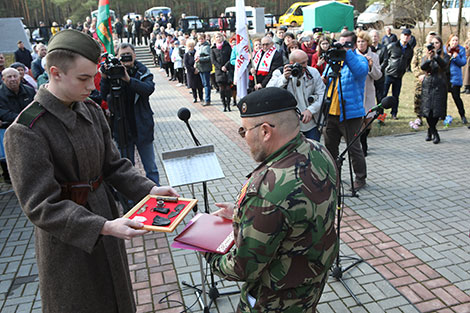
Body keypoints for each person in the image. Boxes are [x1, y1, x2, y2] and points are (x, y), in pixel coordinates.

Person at [4, 29, 179, 313]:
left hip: (105, 215)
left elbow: (113, 165)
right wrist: (102, 226)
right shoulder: (26, 130)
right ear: (55, 73)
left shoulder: (90, 110)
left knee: (118, 297)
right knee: (82, 301)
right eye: (83, 78)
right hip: (69, 239)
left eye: (93, 76)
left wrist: (149, 190)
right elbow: (40, 206)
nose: (92, 85)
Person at [204, 87, 339, 313]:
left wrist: (208, 250)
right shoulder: (318, 150)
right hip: (310, 287)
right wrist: (241, 213)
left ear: (265, 131)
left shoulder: (266, 191)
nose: (244, 137)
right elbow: (299, 215)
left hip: (274, 301)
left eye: (244, 130)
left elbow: (244, 268)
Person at [100, 43, 160, 185]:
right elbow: (103, 95)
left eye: (129, 54)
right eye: (123, 55)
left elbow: (148, 89)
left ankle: (158, 198)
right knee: (127, 169)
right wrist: (104, 77)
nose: (126, 58)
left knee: (151, 168)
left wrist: (128, 79)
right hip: (122, 128)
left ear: (134, 55)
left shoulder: (142, 71)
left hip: (142, 126)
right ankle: (132, 202)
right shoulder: (112, 72)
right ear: (117, 57)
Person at [323, 31, 368, 190]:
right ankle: (334, 176)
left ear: (354, 45)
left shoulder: (360, 60)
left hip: (350, 114)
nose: (341, 47)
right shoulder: (335, 60)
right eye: (339, 44)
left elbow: (360, 72)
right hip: (331, 112)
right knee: (330, 148)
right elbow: (326, 77)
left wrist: (347, 54)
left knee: (353, 148)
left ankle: (360, 178)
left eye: (346, 44)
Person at [267, 50, 325, 141]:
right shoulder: (280, 73)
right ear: (292, 63)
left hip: (311, 124)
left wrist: (310, 110)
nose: (306, 65)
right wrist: (284, 78)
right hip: (288, 125)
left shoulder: (313, 72)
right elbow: (269, 92)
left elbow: (322, 93)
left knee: (313, 152)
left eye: (306, 61)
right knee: (293, 154)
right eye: (302, 63)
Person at [0, 67, 36, 183]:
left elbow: (34, 107)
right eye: (9, 77)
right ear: (3, 79)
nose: (13, 79)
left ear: (20, 77)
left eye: (15, 76)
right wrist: (25, 117)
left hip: (30, 128)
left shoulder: (29, 91)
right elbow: (4, 114)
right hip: (8, 131)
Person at [356, 31, 382, 157]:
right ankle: (362, 144)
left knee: (369, 120)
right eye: (359, 42)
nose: (361, 44)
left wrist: (371, 66)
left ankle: (364, 138)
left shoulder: (374, 56)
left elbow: (378, 76)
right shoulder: (353, 56)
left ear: (368, 43)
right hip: (357, 92)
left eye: (363, 42)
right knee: (359, 120)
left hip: (369, 92)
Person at [421, 35, 450, 144]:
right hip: (428, 85)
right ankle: (434, 132)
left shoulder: (445, 56)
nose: (434, 45)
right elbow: (423, 67)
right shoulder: (427, 55)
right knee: (428, 111)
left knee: (437, 111)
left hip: (440, 85)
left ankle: (431, 130)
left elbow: (445, 66)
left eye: (437, 43)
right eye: (433, 43)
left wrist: (436, 56)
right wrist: (429, 58)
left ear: (440, 44)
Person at [383, 28, 414, 119]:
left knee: (396, 95)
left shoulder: (409, 49)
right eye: (404, 35)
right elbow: (385, 58)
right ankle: (380, 113)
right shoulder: (392, 46)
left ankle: (394, 113)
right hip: (388, 74)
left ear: (410, 38)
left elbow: (408, 61)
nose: (406, 37)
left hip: (399, 75)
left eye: (408, 36)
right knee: (383, 94)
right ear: (400, 36)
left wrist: (404, 70)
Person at [411, 32, 436, 124]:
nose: (431, 38)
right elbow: (413, 64)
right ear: (426, 38)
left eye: (433, 37)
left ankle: (432, 118)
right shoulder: (419, 50)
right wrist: (419, 75)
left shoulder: (437, 51)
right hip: (420, 79)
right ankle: (419, 117)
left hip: (432, 79)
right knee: (418, 98)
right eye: (430, 36)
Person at [445, 34, 468, 124]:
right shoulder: (445, 49)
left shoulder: (461, 50)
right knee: (442, 97)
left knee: (456, 97)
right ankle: (442, 115)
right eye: (453, 40)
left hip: (455, 77)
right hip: (444, 77)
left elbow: (463, 62)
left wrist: (456, 57)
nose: (455, 42)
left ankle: (462, 115)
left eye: (456, 40)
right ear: (449, 41)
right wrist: (447, 56)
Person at [211, 33, 233, 111]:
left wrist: (226, 66)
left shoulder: (227, 46)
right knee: (222, 89)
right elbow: (213, 60)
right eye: (217, 37)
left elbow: (231, 57)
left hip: (227, 70)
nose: (219, 38)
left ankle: (228, 104)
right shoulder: (213, 48)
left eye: (220, 36)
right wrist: (220, 67)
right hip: (219, 71)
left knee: (228, 88)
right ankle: (224, 105)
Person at [369, 29, 388, 104]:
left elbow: (385, 61)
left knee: (380, 97)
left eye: (375, 36)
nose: (374, 38)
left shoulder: (383, 48)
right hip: (369, 76)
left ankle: (380, 113)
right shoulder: (367, 48)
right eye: (372, 36)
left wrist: (378, 70)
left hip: (380, 76)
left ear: (378, 37)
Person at [195, 34, 212, 105]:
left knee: (206, 84)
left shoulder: (206, 47)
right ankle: (207, 98)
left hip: (205, 67)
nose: (200, 40)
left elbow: (209, 57)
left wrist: (200, 59)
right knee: (204, 83)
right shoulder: (198, 46)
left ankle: (207, 99)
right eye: (199, 39)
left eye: (202, 39)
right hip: (200, 67)